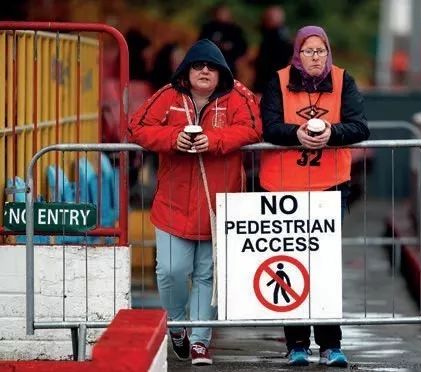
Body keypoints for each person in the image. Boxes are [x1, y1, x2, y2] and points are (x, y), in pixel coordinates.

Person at [128, 39, 262, 366]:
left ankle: (200, 340)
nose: (204, 71)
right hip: (173, 204)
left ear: (222, 73)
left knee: (207, 275)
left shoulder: (239, 96)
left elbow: (254, 128)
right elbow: (137, 127)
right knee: (171, 270)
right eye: (198, 65)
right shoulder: (167, 96)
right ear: (186, 71)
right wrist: (173, 139)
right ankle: (177, 325)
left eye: (212, 67)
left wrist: (213, 141)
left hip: (219, 206)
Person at [259, 26, 370, 367]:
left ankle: (330, 344)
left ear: (328, 52)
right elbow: (268, 126)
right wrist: (298, 134)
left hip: (329, 186)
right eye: (308, 51)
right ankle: (295, 344)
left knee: (322, 267)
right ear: (297, 53)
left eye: (320, 50)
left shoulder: (343, 81)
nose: (315, 57)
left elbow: (359, 126)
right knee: (290, 263)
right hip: (283, 187)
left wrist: (330, 134)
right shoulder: (277, 81)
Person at [198, 3, 247, 76]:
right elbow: (200, 44)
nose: (222, 15)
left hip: (228, 64)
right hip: (209, 63)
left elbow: (242, 47)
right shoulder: (208, 28)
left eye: (224, 13)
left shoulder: (235, 30)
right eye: (220, 13)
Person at [253, 5, 293, 94]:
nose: (265, 20)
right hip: (266, 80)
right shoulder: (268, 34)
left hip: (272, 81)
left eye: (269, 17)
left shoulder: (279, 37)